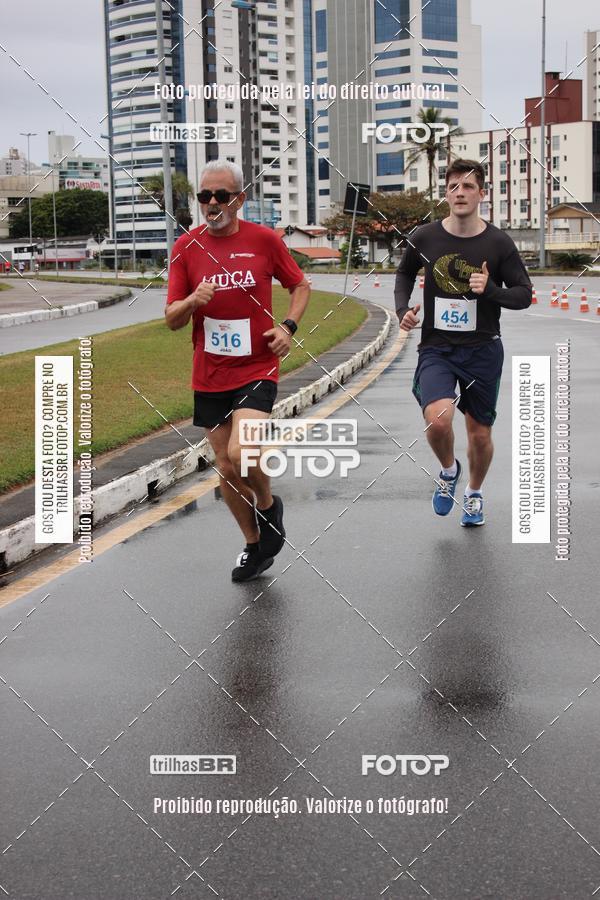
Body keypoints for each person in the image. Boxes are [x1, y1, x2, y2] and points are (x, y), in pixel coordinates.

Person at [165, 161, 310, 580]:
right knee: (226, 469)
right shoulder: (186, 248)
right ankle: (254, 546)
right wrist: (193, 300)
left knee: (242, 454)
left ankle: (268, 506)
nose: (213, 203)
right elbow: (172, 318)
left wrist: (288, 326)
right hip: (209, 374)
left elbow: (299, 285)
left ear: (239, 200)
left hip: (256, 367)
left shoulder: (264, 240)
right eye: (205, 196)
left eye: (221, 196)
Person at [394, 158, 532, 526]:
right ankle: (448, 469)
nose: (460, 192)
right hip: (437, 348)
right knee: (439, 419)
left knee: (480, 434)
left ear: (482, 194)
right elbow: (405, 271)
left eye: (468, 186)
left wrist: (490, 290)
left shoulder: (498, 242)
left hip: (483, 349)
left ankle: (473, 493)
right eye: (453, 186)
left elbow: (524, 294)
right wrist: (401, 309)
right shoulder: (425, 237)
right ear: (446, 194)